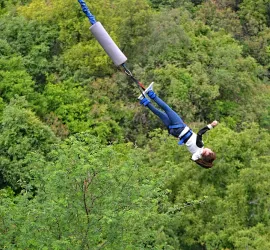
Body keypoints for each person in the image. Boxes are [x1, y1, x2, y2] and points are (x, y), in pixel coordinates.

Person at [138, 82, 218, 168]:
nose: (210, 149)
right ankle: (144, 100)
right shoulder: (195, 156)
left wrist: (211, 126)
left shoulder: (200, 146)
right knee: (160, 114)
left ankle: (150, 93)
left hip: (180, 127)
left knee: (166, 108)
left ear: (207, 153)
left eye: (211, 151)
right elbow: (195, 159)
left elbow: (199, 133)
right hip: (174, 132)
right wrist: (205, 163)